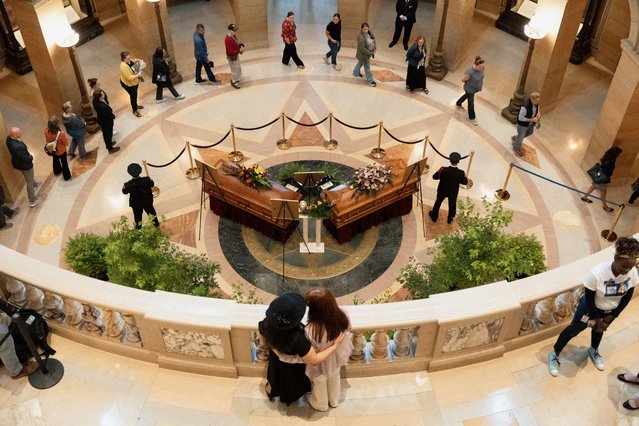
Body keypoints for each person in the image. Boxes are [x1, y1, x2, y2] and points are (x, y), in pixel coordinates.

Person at [547, 236, 639, 377]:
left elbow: (627, 296)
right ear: (616, 258)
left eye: (631, 266)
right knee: (572, 331)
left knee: (598, 331)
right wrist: (596, 319)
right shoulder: (597, 273)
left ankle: (593, 350)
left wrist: (612, 316)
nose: (627, 270)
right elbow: (589, 298)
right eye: (624, 266)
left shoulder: (631, 273)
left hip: (609, 310)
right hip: (589, 310)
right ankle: (554, 353)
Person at [258, 293, 346, 406]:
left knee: (275, 377)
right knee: (291, 384)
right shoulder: (299, 338)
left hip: (276, 361)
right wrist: (335, 346)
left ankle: (272, 391)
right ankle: (289, 397)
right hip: (293, 369)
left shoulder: (267, 323)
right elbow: (314, 360)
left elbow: (262, 336)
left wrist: (274, 349)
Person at [304, 287, 353, 412]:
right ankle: (334, 401)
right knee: (334, 377)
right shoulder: (343, 316)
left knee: (319, 382)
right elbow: (348, 330)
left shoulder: (310, 330)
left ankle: (320, 404)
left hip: (320, 362)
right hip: (336, 358)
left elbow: (311, 352)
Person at [428, 152, 468, 224]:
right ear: (458, 162)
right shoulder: (461, 173)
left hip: (442, 190)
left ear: (449, 160)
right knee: (452, 205)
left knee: (438, 202)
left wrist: (438, 171)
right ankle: (450, 219)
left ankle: (434, 216)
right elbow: (465, 182)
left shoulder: (443, 170)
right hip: (453, 192)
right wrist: (464, 176)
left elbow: (434, 177)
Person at [5, 127, 41, 207]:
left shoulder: (9, 139)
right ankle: (32, 200)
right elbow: (26, 158)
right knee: (29, 181)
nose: (21, 133)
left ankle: (34, 184)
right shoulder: (18, 147)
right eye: (19, 133)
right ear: (14, 135)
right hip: (25, 166)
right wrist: (31, 157)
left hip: (17, 163)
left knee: (29, 177)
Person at [581, 146, 622, 213]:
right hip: (603, 178)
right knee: (603, 192)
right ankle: (605, 206)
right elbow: (608, 172)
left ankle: (585, 197)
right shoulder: (611, 161)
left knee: (593, 186)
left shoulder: (606, 156)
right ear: (615, 154)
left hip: (598, 175)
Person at [122, 163, 159, 229]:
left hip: (136, 204)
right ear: (140, 171)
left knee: (137, 218)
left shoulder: (128, 185)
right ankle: (156, 225)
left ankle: (138, 230)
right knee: (152, 213)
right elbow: (152, 184)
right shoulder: (147, 179)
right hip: (147, 201)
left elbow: (124, 192)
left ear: (129, 173)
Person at [455, 56, 486, 126]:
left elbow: (481, 76)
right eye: (480, 67)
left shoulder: (482, 68)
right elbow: (463, 79)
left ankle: (458, 103)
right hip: (470, 89)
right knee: (471, 103)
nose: (482, 68)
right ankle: (472, 118)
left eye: (482, 67)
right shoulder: (470, 71)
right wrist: (466, 80)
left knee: (466, 96)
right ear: (476, 65)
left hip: (476, 88)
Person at [92, 89, 120, 154]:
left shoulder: (95, 101)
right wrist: (113, 116)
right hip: (106, 121)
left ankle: (109, 143)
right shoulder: (103, 107)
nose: (104, 94)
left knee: (105, 134)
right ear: (99, 97)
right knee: (108, 133)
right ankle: (110, 148)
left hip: (102, 120)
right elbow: (109, 114)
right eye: (102, 94)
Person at [44, 116, 71, 181]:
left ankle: (57, 171)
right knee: (64, 163)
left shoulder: (46, 130)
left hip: (52, 149)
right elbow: (66, 143)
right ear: (56, 124)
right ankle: (67, 176)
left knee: (55, 160)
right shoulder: (61, 134)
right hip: (61, 151)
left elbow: (47, 139)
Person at [119, 51, 144, 117]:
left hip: (135, 82)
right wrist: (138, 75)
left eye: (130, 57)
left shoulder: (130, 61)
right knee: (133, 96)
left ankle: (135, 105)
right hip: (129, 84)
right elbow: (129, 78)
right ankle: (135, 110)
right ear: (123, 59)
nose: (130, 59)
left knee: (135, 94)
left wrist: (138, 63)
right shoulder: (123, 66)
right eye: (128, 58)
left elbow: (134, 68)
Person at [353, 23, 377, 87]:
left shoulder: (370, 34)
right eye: (364, 29)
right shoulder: (360, 37)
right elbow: (362, 48)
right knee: (367, 67)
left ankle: (355, 72)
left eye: (367, 29)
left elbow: (374, 42)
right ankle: (370, 80)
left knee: (360, 63)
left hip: (368, 54)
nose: (366, 30)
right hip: (364, 55)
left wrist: (374, 49)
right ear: (362, 29)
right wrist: (370, 53)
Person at [225, 24, 245, 89]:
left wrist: (240, 45)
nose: (235, 31)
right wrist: (239, 50)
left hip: (235, 55)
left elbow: (236, 42)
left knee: (237, 68)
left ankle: (237, 78)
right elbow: (230, 52)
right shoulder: (228, 39)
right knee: (235, 69)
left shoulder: (233, 36)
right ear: (230, 30)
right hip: (232, 57)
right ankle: (234, 81)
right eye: (234, 30)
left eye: (235, 30)